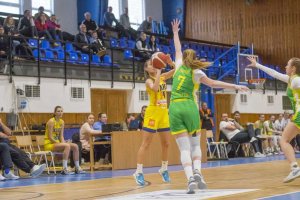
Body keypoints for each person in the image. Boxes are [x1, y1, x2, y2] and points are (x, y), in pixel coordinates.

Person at [169, 19, 249, 194]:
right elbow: (213, 83)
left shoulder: (178, 65)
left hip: (173, 108)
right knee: (196, 145)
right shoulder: (197, 72)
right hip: (189, 107)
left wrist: (175, 32)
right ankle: (198, 171)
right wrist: (235, 86)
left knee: (183, 148)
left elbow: (177, 48)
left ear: (184, 57)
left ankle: (190, 178)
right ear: (195, 59)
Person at [247, 56, 300, 183]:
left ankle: (294, 168)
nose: (285, 67)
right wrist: (257, 65)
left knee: (284, 140)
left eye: (287, 65)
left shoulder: (296, 80)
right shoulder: (290, 79)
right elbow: (275, 74)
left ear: (293, 68)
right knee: (284, 140)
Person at [133, 57, 175, 186]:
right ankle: (138, 172)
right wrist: (159, 72)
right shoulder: (148, 81)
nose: (153, 65)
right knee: (146, 143)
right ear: (146, 69)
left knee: (166, 144)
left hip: (163, 112)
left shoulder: (161, 76)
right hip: (152, 113)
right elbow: (156, 88)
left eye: (153, 63)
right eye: (150, 65)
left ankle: (164, 169)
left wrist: (170, 62)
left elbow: (176, 70)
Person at [44, 106, 85, 174]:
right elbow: (50, 137)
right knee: (67, 146)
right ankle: (64, 169)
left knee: (75, 146)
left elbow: (61, 136)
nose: (60, 113)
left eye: (61, 111)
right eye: (58, 111)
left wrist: (63, 142)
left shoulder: (62, 122)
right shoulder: (51, 121)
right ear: (55, 113)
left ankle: (77, 167)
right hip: (49, 144)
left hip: (57, 143)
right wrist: (63, 143)